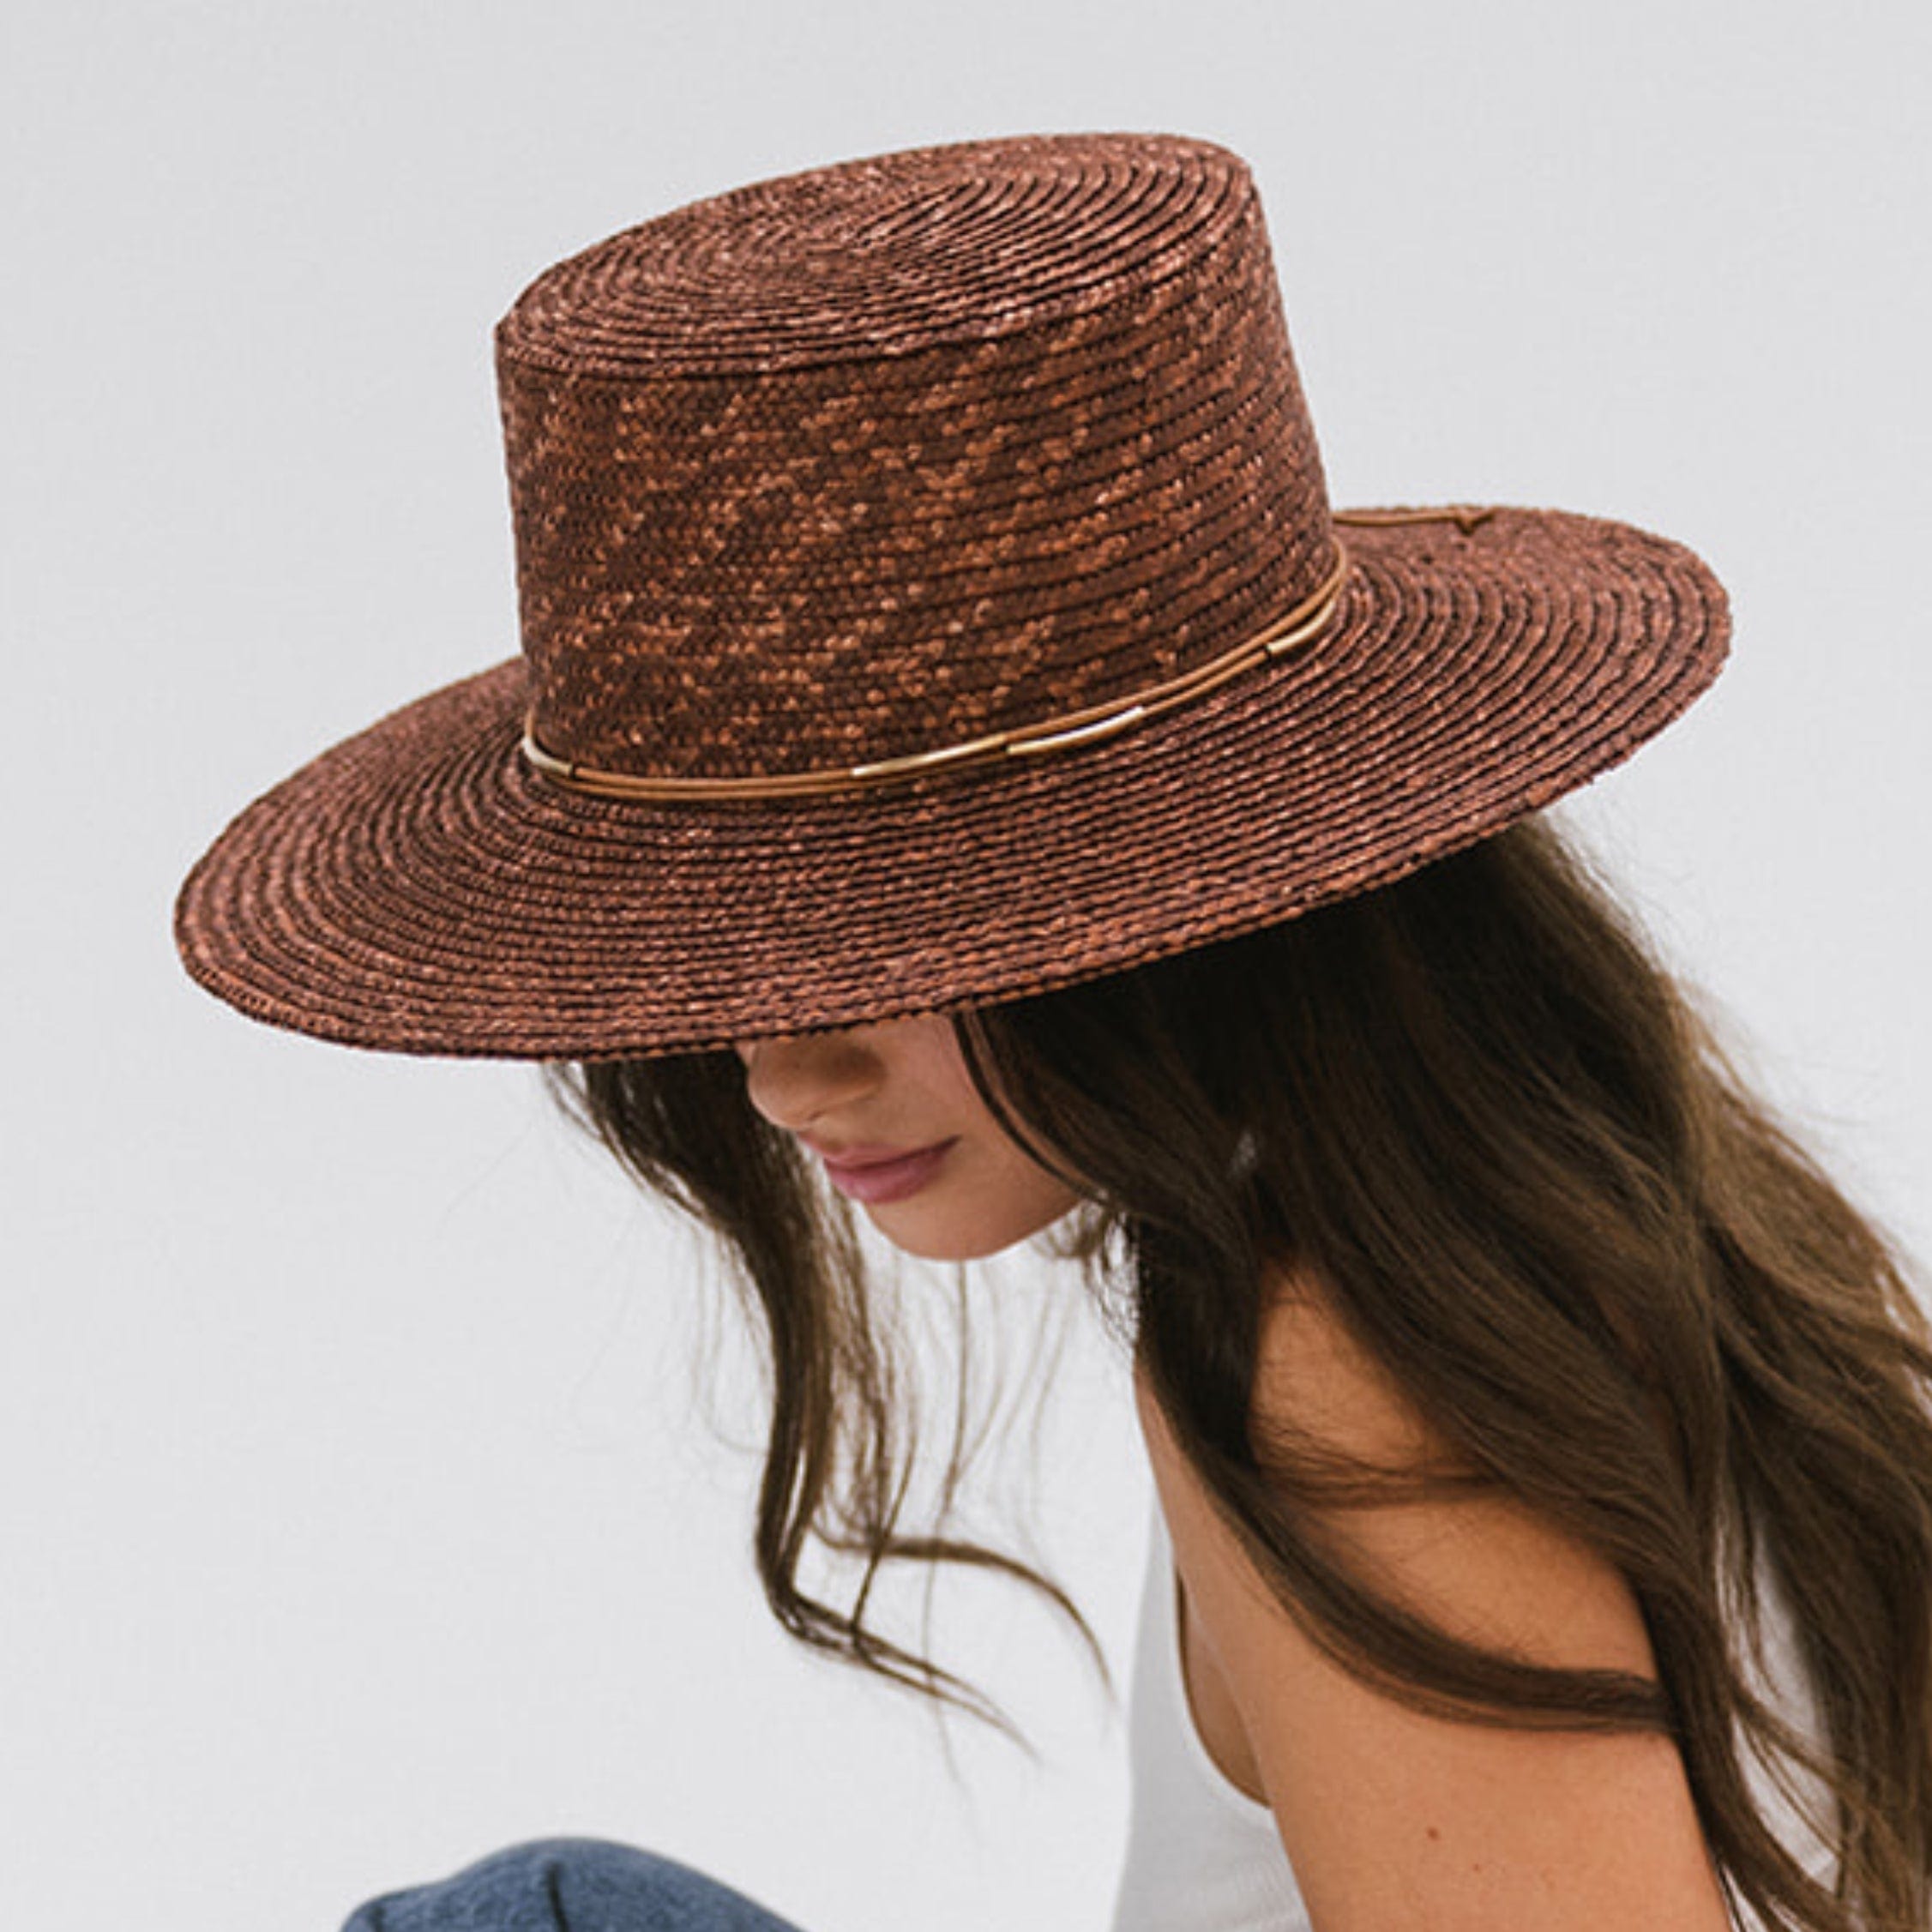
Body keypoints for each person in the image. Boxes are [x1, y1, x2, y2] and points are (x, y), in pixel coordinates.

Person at [172, 130, 1932, 1932]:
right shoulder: (1615, 1216)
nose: (780, 1073)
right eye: (725, 956)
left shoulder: (1342, 1371)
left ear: (1174, 894)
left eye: (874, 934)